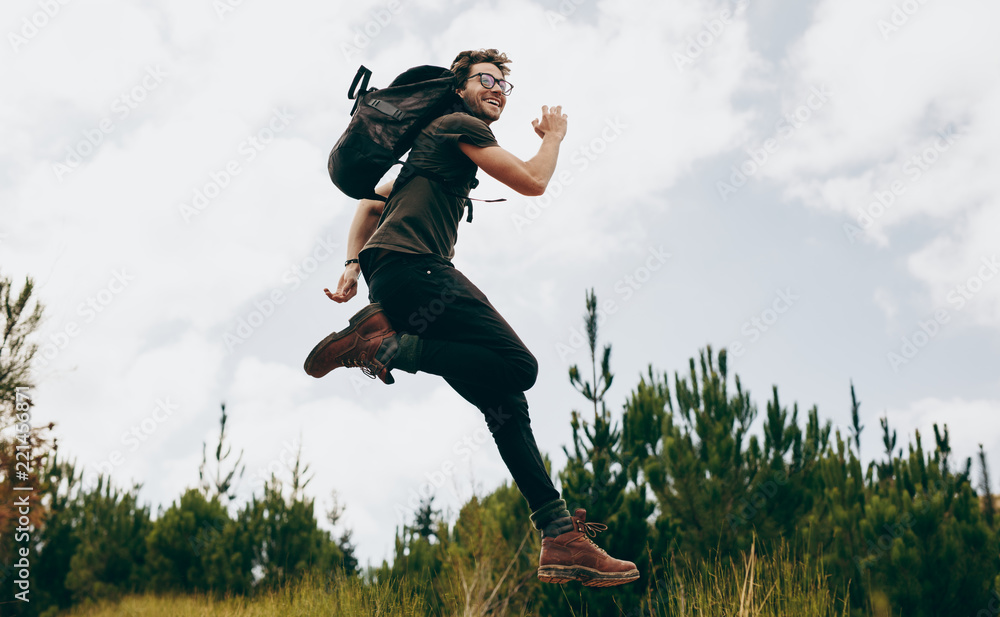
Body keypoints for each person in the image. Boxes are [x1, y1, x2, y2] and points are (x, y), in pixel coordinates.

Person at [304, 49, 638, 587]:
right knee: (518, 366)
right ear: (458, 88)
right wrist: (552, 137)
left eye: (507, 83)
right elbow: (532, 180)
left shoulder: (432, 154)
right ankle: (383, 347)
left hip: (396, 275)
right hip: (417, 273)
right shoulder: (458, 125)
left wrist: (351, 267)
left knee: (505, 403)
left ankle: (559, 537)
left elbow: (370, 205)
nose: (500, 88)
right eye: (488, 79)